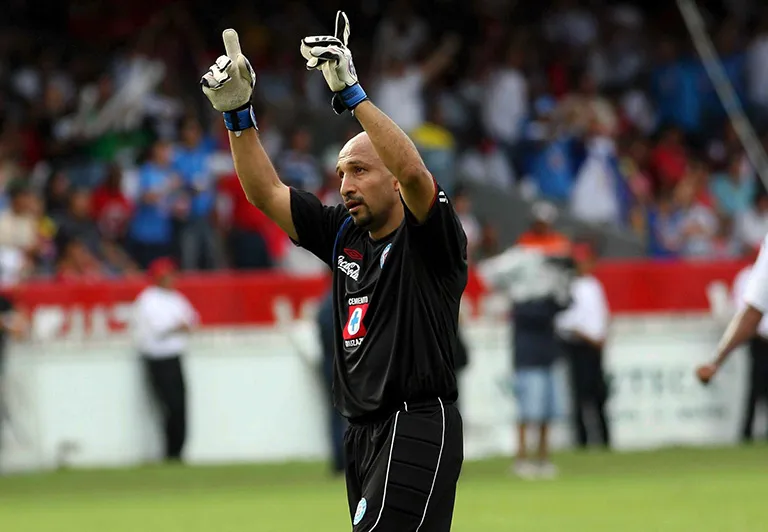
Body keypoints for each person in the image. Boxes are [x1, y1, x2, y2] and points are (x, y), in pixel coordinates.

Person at [200, 13, 467, 531]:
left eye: (360, 170)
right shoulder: (344, 233)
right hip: (361, 434)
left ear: (392, 182)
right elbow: (266, 193)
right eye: (341, 171)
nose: (345, 183)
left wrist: (352, 94)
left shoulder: (431, 236)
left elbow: (414, 171)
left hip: (414, 422)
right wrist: (237, 115)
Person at [477, 234, 574, 479]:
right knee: (527, 413)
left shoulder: (545, 295)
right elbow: (537, 314)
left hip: (548, 356)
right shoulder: (522, 300)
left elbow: (566, 303)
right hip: (528, 359)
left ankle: (542, 459)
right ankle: (521, 459)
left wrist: (560, 282)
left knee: (546, 414)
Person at [132, 257, 199, 462]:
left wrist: (178, 326)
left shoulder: (176, 298)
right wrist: (177, 326)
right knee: (168, 406)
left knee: (181, 405)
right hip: (158, 360)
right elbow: (160, 328)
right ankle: (170, 452)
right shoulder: (148, 299)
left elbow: (192, 320)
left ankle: (178, 451)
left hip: (175, 357)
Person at [555, 242, 611, 449]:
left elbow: (602, 314)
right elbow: (565, 323)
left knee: (599, 395)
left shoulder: (595, 284)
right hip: (579, 346)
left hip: (597, 347)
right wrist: (591, 337)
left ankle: (604, 440)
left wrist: (602, 336)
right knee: (580, 396)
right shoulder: (568, 286)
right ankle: (583, 442)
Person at [697, 234, 768, 395]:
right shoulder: (747, 275)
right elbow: (751, 313)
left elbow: (752, 314)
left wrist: (716, 361)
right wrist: (715, 361)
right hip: (760, 343)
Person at [729, 253, 768, 442]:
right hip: (757, 338)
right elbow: (743, 307)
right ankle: (747, 432)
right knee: (755, 385)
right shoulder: (747, 277)